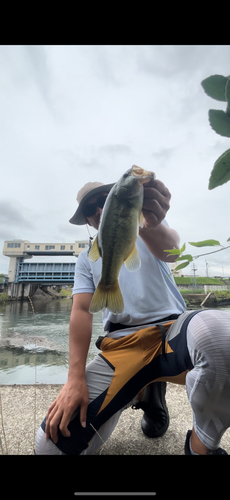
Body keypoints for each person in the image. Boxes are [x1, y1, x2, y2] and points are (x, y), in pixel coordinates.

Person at [35, 173, 188, 454]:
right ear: (87, 221)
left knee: (219, 340)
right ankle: (141, 391)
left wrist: (150, 224)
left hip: (175, 331)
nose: (97, 210)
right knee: (50, 447)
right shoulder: (86, 258)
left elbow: (174, 252)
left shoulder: (148, 225)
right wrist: (75, 378)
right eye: (88, 210)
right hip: (122, 343)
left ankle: (202, 439)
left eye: (103, 200)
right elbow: (81, 310)